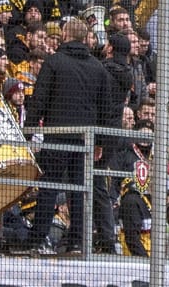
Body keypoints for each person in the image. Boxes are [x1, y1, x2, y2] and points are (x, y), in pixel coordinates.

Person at [23, 18, 118, 252]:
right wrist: (100, 143)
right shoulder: (98, 67)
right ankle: (77, 239)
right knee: (79, 190)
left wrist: (28, 130)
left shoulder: (54, 62)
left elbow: (39, 100)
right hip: (84, 139)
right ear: (85, 37)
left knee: (49, 187)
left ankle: (37, 239)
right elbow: (106, 108)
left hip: (57, 135)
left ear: (65, 35)